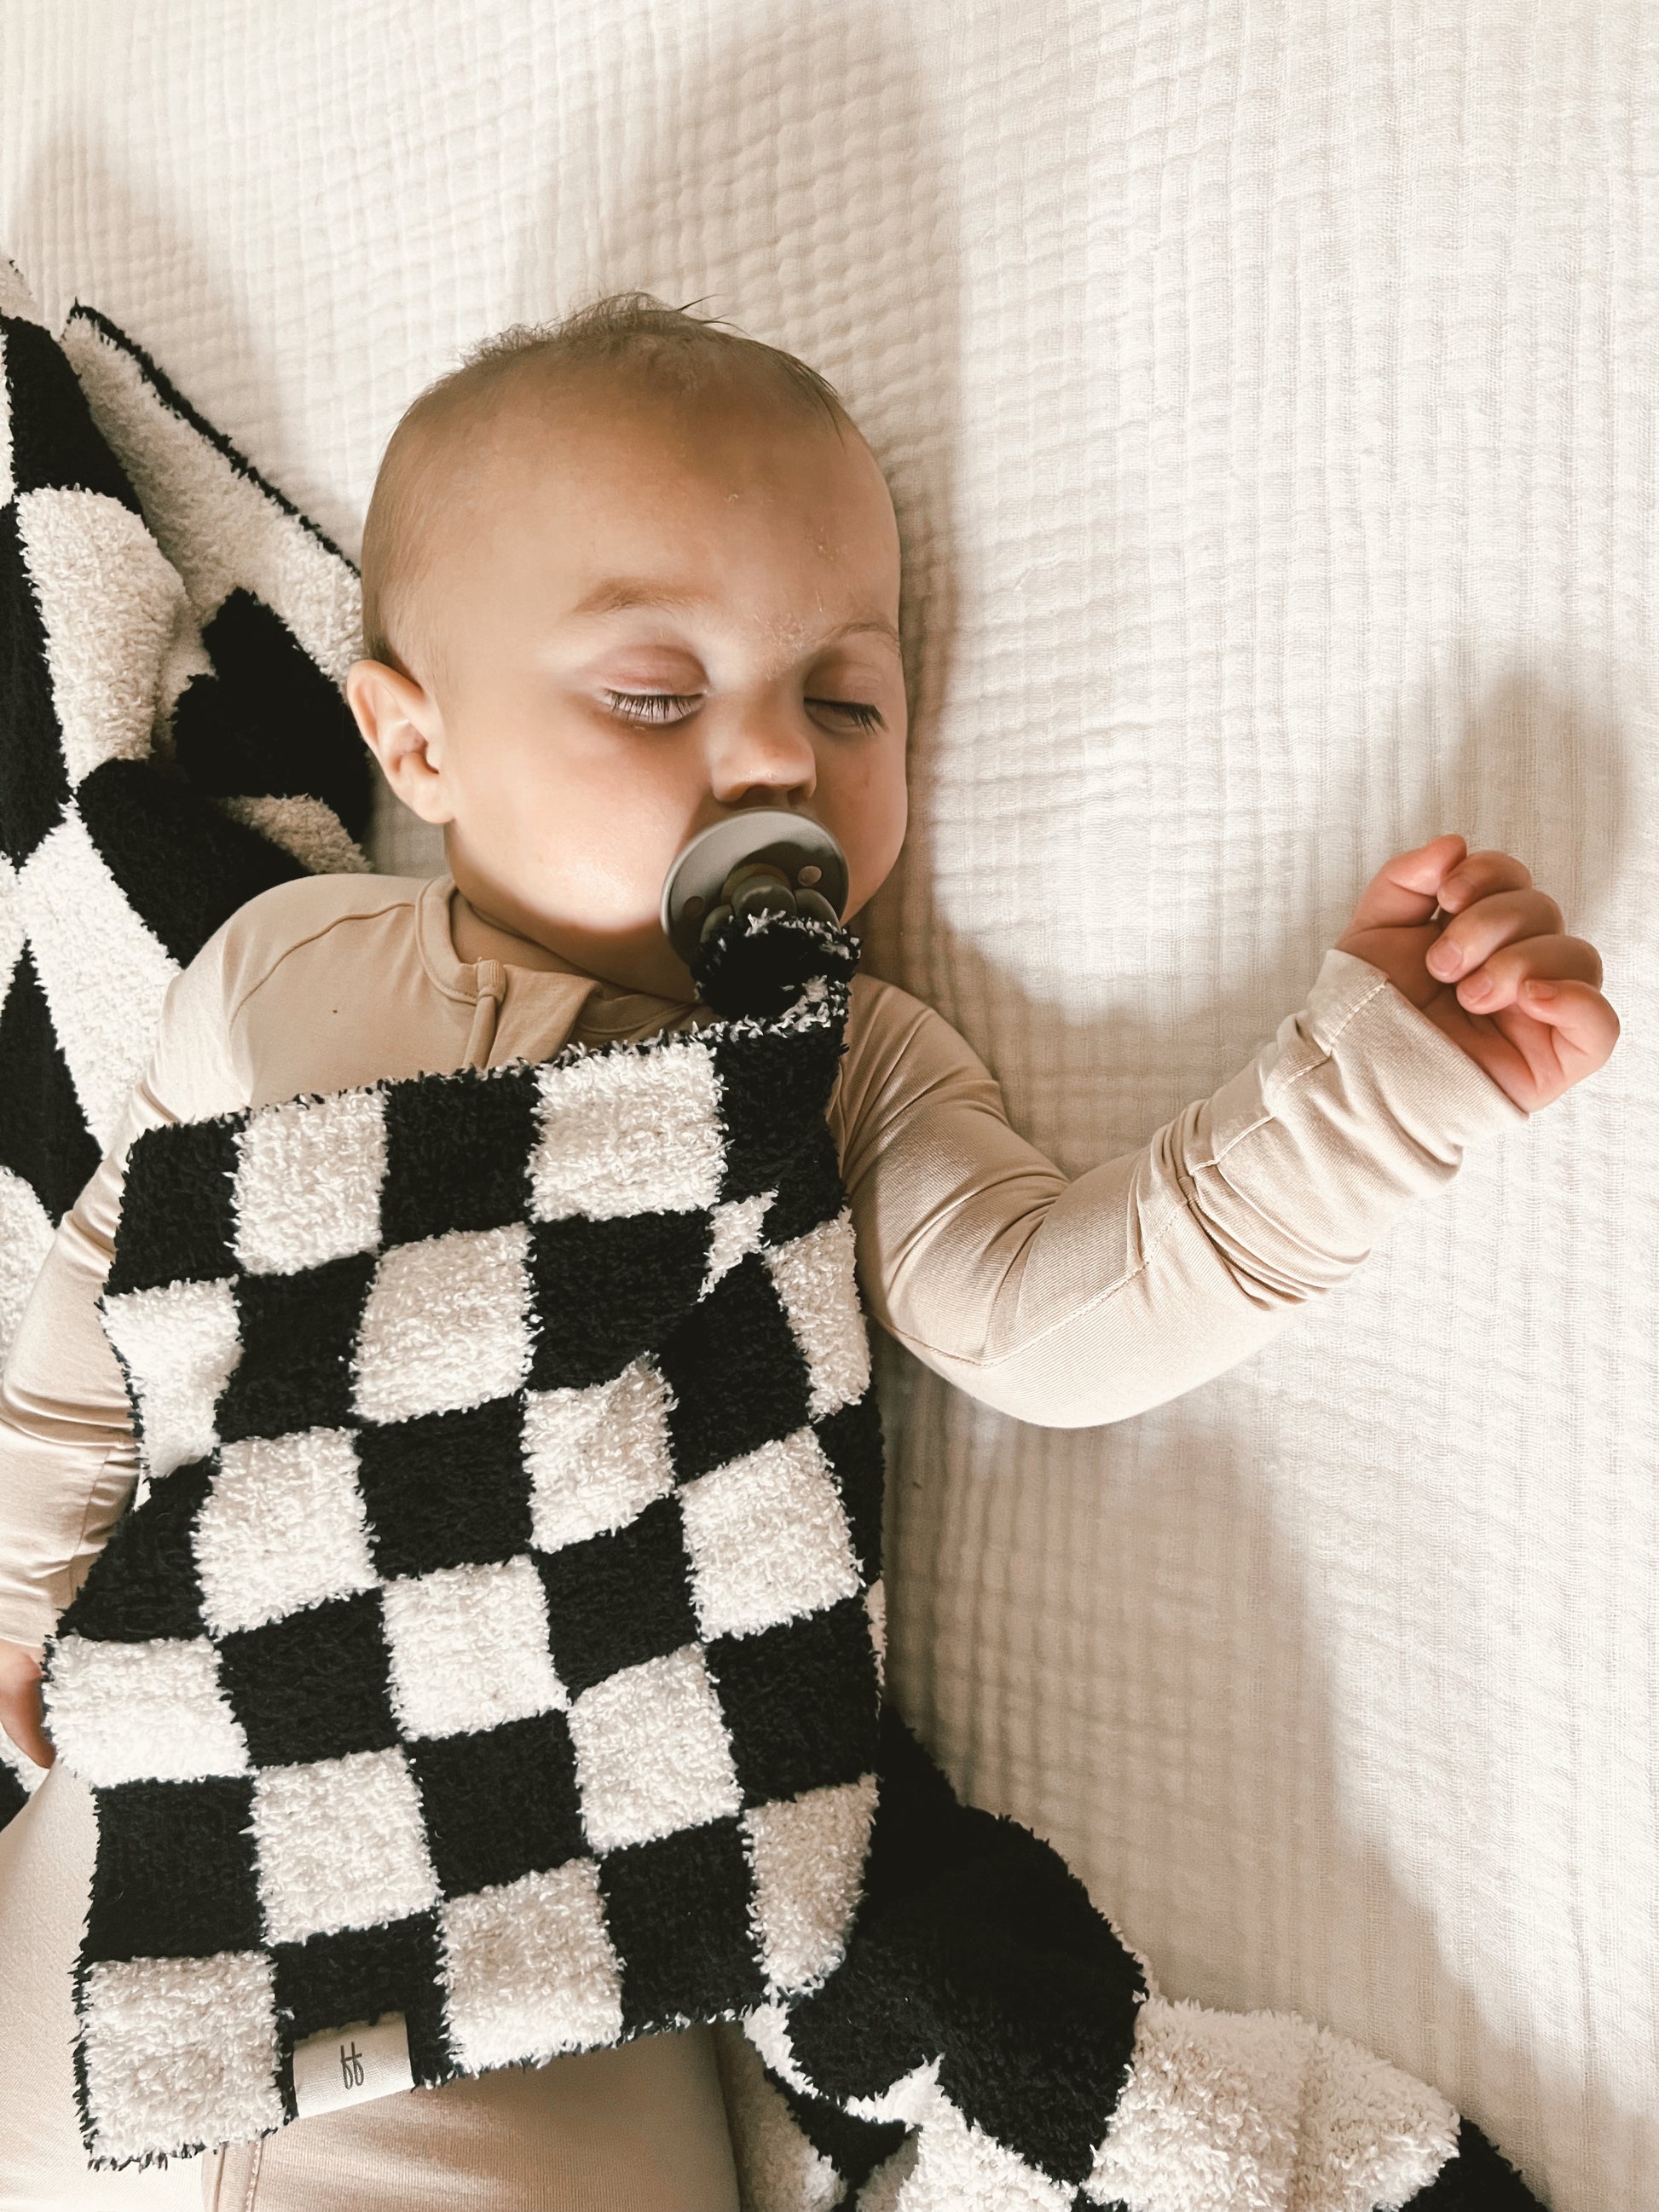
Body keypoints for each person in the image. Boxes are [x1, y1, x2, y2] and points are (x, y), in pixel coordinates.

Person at [0, 292, 1617, 2210]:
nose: (774, 757)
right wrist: (22, 1596)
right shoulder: (282, 969)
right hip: (169, 1805)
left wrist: (1378, 1082)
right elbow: (112, 1306)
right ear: (410, 740)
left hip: (568, 1884)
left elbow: (1047, 1312)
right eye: (656, 695)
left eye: (844, 698)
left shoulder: (823, 1064)